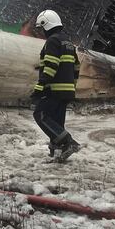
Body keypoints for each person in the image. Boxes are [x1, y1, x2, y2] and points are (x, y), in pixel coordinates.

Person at [31, 10, 81, 162]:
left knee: (40, 115)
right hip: (66, 91)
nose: (40, 32)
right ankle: (57, 154)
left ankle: (69, 143)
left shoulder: (53, 41)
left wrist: (40, 86)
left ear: (47, 25)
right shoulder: (68, 42)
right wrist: (71, 86)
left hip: (54, 89)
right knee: (56, 122)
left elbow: (51, 65)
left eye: (41, 28)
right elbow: (77, 66)